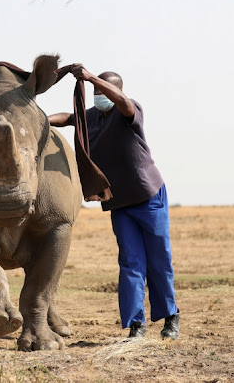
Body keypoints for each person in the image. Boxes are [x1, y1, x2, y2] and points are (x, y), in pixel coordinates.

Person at [48, 65, 180, 340]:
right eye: (95, 90)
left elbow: (122, 102)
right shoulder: (92, 116)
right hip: (119, 202)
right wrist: (39, 119)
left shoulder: (129, 111)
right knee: (130, 264)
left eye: (102, 89)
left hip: (148, 196)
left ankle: (170, 318)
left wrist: (91, 77)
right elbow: (68, 118)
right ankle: (136, 325)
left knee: (159, 260)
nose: (98, 94)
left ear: (118, 89)